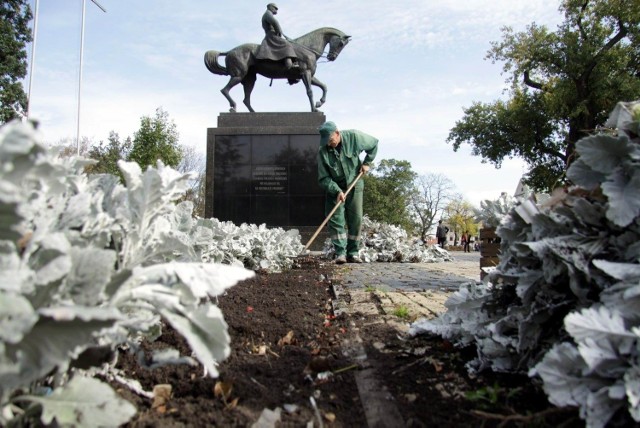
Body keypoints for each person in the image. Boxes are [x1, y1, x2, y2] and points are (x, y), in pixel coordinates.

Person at [317, 121, 378, 264]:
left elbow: (374, 144)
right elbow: (323, 178)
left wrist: (367, 163)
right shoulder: (323, 152)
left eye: (331, 140)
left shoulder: (354, 137)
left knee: (355, 219)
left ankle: (353, 252)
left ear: (337, 133)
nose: (329, 144)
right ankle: (340, 254)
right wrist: (336, 190)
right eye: (326, 142)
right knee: (336, 220)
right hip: (335, 188)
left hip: (354, 185)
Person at [255, 3, 299, 69]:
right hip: (271, 35)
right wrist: (279, 31)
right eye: (275, 8)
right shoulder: (267, 14)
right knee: (287, 44)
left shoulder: (268, 14)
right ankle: (289, 64)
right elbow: (275, 22)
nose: (276, 10)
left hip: (272, 34)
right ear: (270, 7)